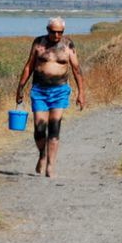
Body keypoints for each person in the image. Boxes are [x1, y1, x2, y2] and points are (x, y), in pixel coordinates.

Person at [16, 17, 86, 178]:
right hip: (39, 91)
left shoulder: (68, 45)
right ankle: (42, 154)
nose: (56, 35)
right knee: (40, 129)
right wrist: (20, 87)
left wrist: (81, 93)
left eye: (60, 32)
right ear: (47, 29)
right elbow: (29, 66)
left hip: (60, 91)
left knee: (54, 127)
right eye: (53, 32)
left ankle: (50, 166)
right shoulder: (39, 43)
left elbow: (76, 70)